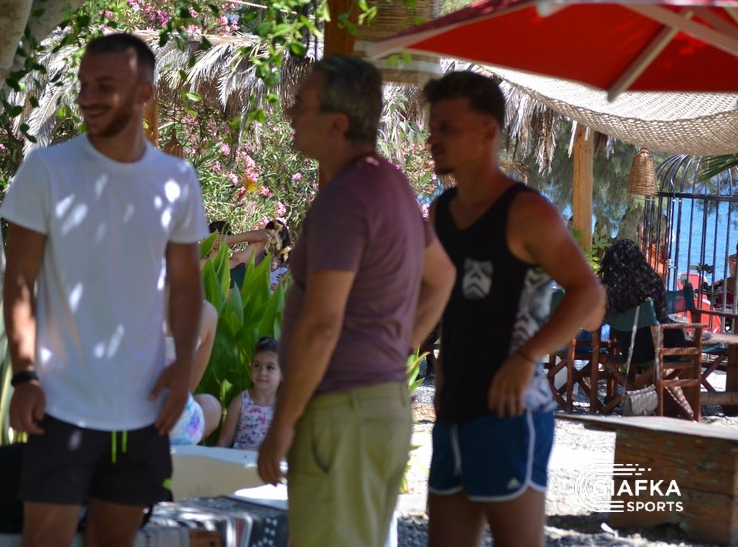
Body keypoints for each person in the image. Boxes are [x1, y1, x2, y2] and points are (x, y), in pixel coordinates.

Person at [1, 33, 208, 547]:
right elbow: (19, 278)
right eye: (84, 84)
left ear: (144, 93)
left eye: (105, 86)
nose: (88, 97)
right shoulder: (47, 170)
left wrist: (184, 364)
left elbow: (187, 283)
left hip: (144, 411)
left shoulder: (177, 180)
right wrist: (24, 376)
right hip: (59, 406)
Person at [256, 55, 456, 546]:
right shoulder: (390, 182)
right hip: (379, 405)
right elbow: (443, 277)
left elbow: (323, 322)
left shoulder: (345, 197)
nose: (290, 113)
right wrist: (397, 348)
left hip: (341, 413)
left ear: (338, 123)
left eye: (302, 105)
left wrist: (282, 424)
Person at [423, 70, 605, 547]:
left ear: (488, 133)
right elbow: (447, 304)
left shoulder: (527, 212)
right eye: (433, 126)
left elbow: (589, 295)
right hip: (454, 406)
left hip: (511, 410)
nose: (433, 138)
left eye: (447, 127)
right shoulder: (441, 212)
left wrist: (527, 357)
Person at [599, 238, 687, 365]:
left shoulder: (609, 292)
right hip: (659, 351)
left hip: (629, 351)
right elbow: (662, 317)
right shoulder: (652, 283)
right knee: (678, 332)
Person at [168, 299, 222, 444]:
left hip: (122, 424)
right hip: (175, 431)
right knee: (213, 407)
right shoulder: (207, 312)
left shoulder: (124, 305)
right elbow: (190, 386)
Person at [217, 336, 281, 450]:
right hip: (239, 459)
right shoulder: (240, 402)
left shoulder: (284, 407)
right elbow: (224, 441)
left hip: (269, 460)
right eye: (257, 365)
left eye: (270, 367)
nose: (262, 372)